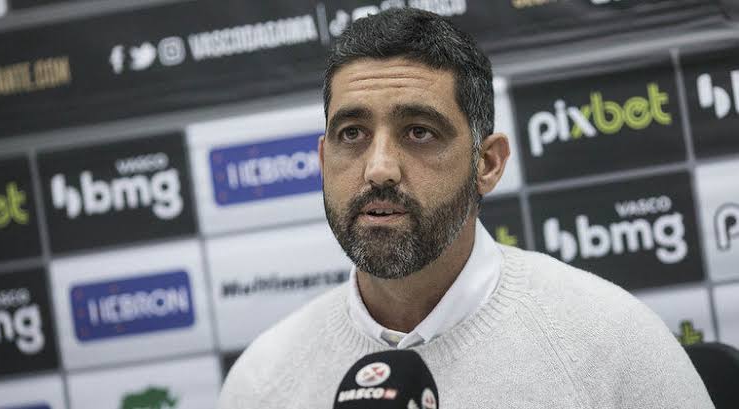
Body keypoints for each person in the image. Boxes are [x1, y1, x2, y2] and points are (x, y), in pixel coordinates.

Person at [219, 8, 713, 409]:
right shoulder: (262, 383)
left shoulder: (614, 344)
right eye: (352, 134)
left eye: (419, 132)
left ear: (488, 164)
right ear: (324, 160)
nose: (379, 169)